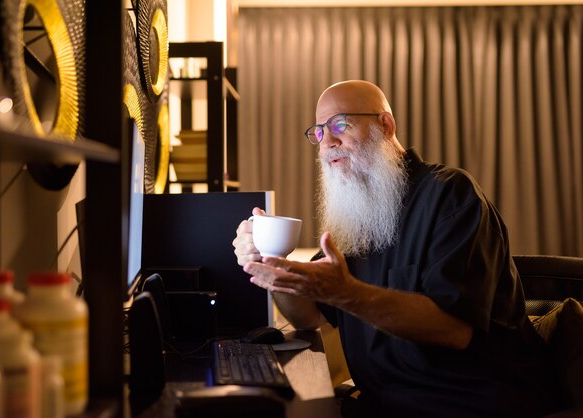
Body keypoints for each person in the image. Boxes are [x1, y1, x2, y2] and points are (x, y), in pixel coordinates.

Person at [233, 80, 555, 417]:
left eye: (340, 124)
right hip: (382, 403)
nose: (327, 142)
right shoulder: (355, 215)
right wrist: (272, 262)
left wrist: (347, 293)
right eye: (318, 133)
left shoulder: (451, 195)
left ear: (385, 125)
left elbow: (454, 331)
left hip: (467, 404)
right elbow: (308, 315)